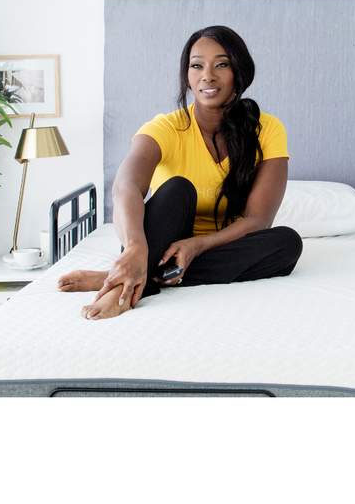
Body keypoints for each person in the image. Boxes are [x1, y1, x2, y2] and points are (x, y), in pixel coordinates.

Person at [57, 25, 303, 320]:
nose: (207, 76)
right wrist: (135, 246)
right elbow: (126, 186)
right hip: (155, 242)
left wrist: (196, 245)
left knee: (287, 244)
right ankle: (135, 268)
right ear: (187, 75)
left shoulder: (267, 129)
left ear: (239, 71)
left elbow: (258, 219)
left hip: (219, 246)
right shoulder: (166, 127)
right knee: (177, 189)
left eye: (221, 64)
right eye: (196, 65)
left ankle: (136, 276)